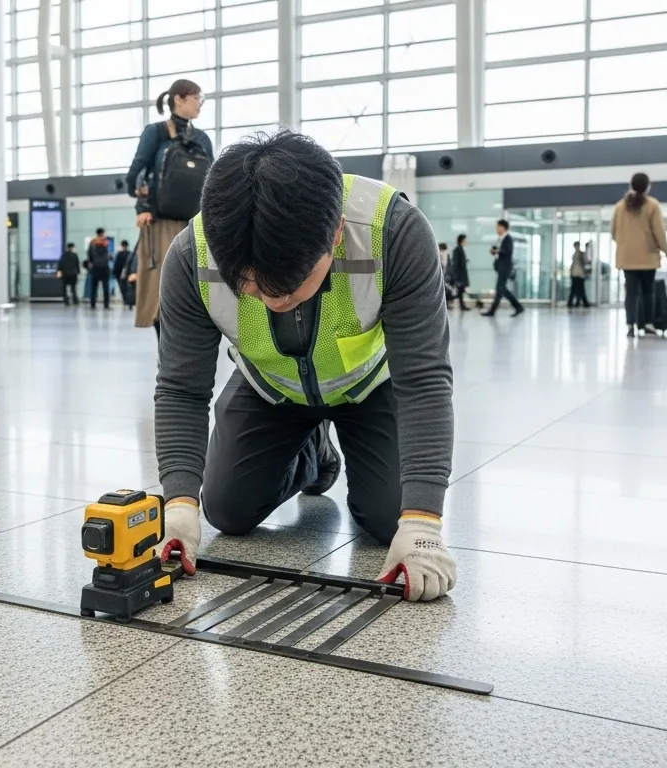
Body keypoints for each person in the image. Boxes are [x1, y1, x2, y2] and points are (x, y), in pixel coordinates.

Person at [154, 129, 456, 603]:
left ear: (335, 233)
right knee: (226, 512)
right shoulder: (192, 255)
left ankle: (346, 452)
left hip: (369, 387)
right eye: (248, 287)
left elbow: (424, 382)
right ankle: (316, 452)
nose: (273, 300)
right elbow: (180, 388)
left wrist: (423, 523)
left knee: (387, 520)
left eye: (290, 284)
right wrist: (178, 502)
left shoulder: (394, 233)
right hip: (270, 388)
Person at [125, 78, 215, 335]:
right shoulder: (156, 132)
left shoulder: (202, 139)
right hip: (158, 221)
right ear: (179, 99)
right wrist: (142, 207)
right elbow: (137, 172)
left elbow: (212, 178)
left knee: (195, 288)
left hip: (194, 224)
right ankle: (166, 353)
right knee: (160, 290)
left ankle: (181, 350)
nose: (200, 104)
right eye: (196, 97)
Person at [610, 172, 667, 338]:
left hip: (626, 258)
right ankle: (647, 324)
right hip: (648, 257)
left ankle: (630, 325)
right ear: (648, 186)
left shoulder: (620, 206)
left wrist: (625, 245)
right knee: (648, 292)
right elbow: (659, 232)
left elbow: (613, 233)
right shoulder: (652, 205)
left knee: (631, 293)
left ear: (631, 185)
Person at [482, 219, 524, 317]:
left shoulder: (508, 239)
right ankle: (494, 311)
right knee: (501, 289)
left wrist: (497, 251)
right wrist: (495, 252)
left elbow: (508, 252)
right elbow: (500, 252)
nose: (496, 229)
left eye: (498, 227)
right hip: (501, 266)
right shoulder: (500, 238)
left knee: (501, 289)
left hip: (505, 267)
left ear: (503, 227)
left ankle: (517, 307)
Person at [86, 228, 113, 309]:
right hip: (104, 267)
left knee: (94, 287)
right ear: (103, 233)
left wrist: (92, 261)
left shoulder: (92, 242)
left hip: (95, 267)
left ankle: (93, 304)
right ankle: (106, 305)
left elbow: (89, 254)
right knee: (106, 287)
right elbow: (108, 255)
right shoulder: (106, 242)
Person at [449, 234, 470, 311]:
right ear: (462, 240)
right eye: (465, 240)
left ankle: (462, 306)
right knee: (459, 292)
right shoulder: (457, 250)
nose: (466, 242)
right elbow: (456, 264)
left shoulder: (460, 249)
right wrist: (457, 277)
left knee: (460, 292)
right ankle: (448, 299)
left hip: (461, 274)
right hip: (460, 275)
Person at [567, 242, 591, 308]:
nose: (576, 247)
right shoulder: (575, 254)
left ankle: (582, 303)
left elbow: (585, 263)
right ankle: (573, 303)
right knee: (574, 289)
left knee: (580, 289)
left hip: (580, 274)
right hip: (575, 274)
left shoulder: (581, 254)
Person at [113, 239, 134, 309]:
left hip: (125, 274)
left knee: (126, 288)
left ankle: (127, 301)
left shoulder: (127, 254)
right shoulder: (121, 254)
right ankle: (126, 300)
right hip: (120, 274)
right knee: (123, 288)